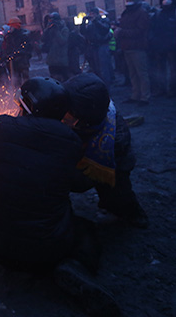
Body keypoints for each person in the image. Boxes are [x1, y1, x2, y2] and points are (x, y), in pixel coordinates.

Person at [0, 77, 120, 316]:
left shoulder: (0, 128)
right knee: (86, 230)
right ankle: (73, 267)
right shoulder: (70, 143)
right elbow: (79, 184)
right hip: (47, 253)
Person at [61, 73, 148, 228]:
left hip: (112, 166)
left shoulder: (115, 136)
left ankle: (130, 214)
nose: (65, 117)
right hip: (86, 152)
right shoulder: (79, 108)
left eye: (70, 116)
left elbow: (83, 182)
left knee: (116, 193)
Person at [115, 0, 151, 106]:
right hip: (127, 47)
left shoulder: (141, 13)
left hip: (138, 47)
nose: (128, 2)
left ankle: (145, 97)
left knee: (141, 73)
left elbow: (140, 31)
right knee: (133, 73)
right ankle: (135, 95)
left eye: (130, 0)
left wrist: (121, 32)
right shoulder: (126, 13)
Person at [148, 0, 176, 98]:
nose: (166, 1)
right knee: (161, 69)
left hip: (173, 47)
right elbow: (153, 28)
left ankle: (173, 90)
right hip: (160, 46)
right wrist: (153, 40)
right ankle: (162, 89)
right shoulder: (158, 14)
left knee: (174, 69)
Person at [80, 7, 113, 87]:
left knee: (103, 67)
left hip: (102, 45)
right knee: (95, 67)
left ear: (97, 14)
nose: (91, 15)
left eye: (93, 13)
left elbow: (104, 29)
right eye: (90, 13)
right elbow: (83, 32)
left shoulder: (103, 20)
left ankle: (107, 85)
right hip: (92, 46)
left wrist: (95, 21)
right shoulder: (90, 23)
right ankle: (99, 84)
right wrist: (83, 22)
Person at [2, 17, 32, 88]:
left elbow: (28, 48)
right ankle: (17, 95)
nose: (10, 27)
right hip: (13, 63)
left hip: (23, 62)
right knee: (16, 82)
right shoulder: (9, 37)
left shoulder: (24, 35)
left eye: (11, 26)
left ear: (15, 25)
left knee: (26, 81)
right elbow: (7, 48)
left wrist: (20, 53)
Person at [43, 12, 71, 82]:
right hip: (52, 60)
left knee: (64, 80)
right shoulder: (50, 29)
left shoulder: (64, 29)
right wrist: (47, 29)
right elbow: (43, 39)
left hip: (61, 60)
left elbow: (62, 41)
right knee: (54, 80)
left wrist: (56, 31)